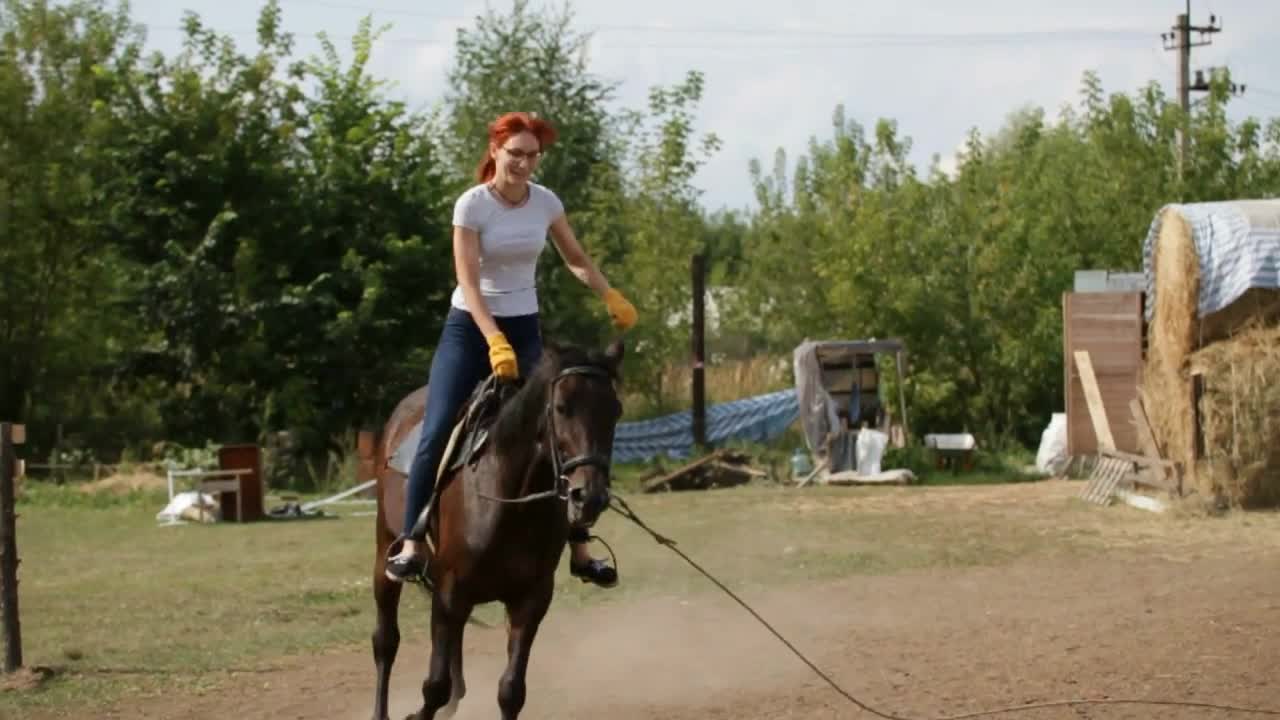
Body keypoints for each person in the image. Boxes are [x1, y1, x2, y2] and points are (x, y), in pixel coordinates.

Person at [385, 111, 637, 586]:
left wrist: (609, 294)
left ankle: (580, 546)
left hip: (524, 328)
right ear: (495, 151)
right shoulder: (472, 206)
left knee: (560, 427)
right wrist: (492, 340)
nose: (523, 163)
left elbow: (576, 259)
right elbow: (468, 282)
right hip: (469, 329)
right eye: (515, 153)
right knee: (438, 427)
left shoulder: (545, 203)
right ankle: (414, 541)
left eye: (531, 155)